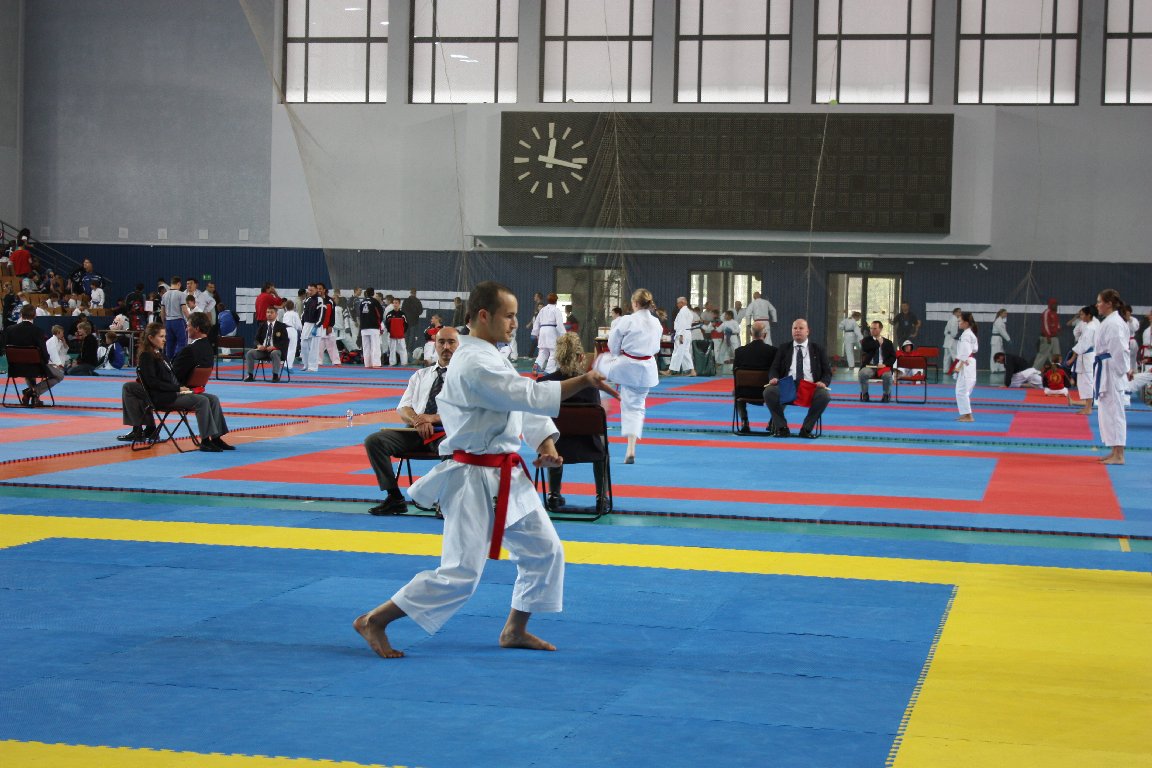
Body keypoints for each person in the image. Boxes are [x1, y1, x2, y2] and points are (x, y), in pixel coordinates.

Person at [352, 281, 616, 659]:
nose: (515, 323)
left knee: (545, 552)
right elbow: (525, 394)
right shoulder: (473, 362)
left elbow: (518, 403)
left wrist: (545, 443)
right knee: (460, 574)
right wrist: (585, 379)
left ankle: (514, 629)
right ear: (483, 316)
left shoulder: (492, 355)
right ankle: (374, 620)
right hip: (471, 478)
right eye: (509, 316)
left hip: (506, 476)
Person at [362, 326, 459, 516]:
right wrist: (418, 421)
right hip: (414, 431)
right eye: (441, 342)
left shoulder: (465, 378)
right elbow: (403, 407)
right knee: (374, 441)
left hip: (446, 431)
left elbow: (464, 411)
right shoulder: (420, 375)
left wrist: (432, 418)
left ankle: (446, 501)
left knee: (454, 447)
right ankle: (394, 497)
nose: (446, 347)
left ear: (459, 346)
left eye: (451, 342)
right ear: (435, 345)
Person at [136, 319, 234, 453]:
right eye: (161, 336)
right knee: (202, 401)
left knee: (213, 399)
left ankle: (216, 438)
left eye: (165, 336)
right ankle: (205, 441)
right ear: (150, 338)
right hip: (162, 397)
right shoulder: (146, 357)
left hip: (174, 392)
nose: (164, 340)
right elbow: (153, 383)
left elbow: (172, 377)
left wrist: (184, 387)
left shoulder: (161, 355)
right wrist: (178, 388)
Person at [541, 333, 609, 514]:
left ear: (557, 357)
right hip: (589, 446)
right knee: (603, 445)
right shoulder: (590, 385)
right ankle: (601, 498)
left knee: (551, 434)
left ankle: (553, 495)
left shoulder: (544, 383)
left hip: (555, 448)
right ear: (580, 357)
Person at [594, 288, 662, 463]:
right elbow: (656, 348)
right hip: (647, 369)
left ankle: (603, 400)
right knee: (636, 408)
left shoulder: (627, 320)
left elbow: (613, 343)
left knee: (600, 362)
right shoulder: (656, 323)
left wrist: (616, 355)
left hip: (626, 365)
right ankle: (631, 449)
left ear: (636, 303)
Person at [762, 319, 832, 438]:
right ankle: (782, 427)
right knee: (769, 392)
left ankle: (806, 429)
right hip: (788, 386)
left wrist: (823, 382)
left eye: (801, 328)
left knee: (824, 396)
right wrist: (773, 378)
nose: (797, 331)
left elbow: (827, 372)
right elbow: (774, 368)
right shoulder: (784, 348)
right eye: (795, 328)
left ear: (807, 331)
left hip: (810, 387)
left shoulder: (818, 349)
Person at [1094, 289, 1131, 465]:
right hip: (1106, 368)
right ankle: (1114, 450)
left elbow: (1120, 350)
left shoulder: (1114, 323)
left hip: (1112, 371)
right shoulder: (1110, 321)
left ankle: (1120, 454)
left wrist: (1121, 372)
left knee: (1115, 412)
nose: (1097, 305)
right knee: (1107, 412)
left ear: (1109, 304)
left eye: (1099, 302)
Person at [2, 304, 62, 406]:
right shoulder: (38, 331)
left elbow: (4, 348)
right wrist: (48, 362)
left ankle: (33, 394)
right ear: (35, 315)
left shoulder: (9, 329)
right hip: (36, 367)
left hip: (15, 368)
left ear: (21, 315)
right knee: (59, 375)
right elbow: (44, 353)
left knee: (29, 369)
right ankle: (32, 392)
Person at [732, 321, 777, 434]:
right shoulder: (773, 351)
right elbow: (777, 373)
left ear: (751, 334)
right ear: (765, 335)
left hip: (743, 392)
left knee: (736, 390)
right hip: (766, 392)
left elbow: (735, 373)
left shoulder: (739, 352)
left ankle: (744, 421)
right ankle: (773, 421)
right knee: (784, 392)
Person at [1067, 305, 1100, 414]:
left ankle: (1088, 407)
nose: (1080, 317)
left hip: (1088, 356)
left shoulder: (1091, 327)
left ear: (1088, 315)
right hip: (1084, 356)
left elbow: (1083, 345)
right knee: (1082, 382)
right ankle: (1086, 406)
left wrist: (1072, 358)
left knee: (1088, 382)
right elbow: (1078, 336)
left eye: (1082, 314)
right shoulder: (1088, 325)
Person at [244, 306, 288, 382]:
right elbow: (256, 339)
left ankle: (275, 376)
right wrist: (258, 345)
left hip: (276, 350)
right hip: (263, 351)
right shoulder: (262, 325)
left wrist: (274, 347)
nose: (269, 314)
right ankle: (250, 375)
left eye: (271, 312)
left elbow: (285, 341)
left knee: (274, 353)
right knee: (249, 353)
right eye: (267, 312)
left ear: (276, 314)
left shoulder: (281, 326)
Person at [857, 320, 897, 402]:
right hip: (870, 366)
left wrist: (885, 364)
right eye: (871, 328)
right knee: (862, 373)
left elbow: (893, 357)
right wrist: (878, 343)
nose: (872, 330)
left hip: (883, 367)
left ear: (880, 329)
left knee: (887, 375)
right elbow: (865, 348)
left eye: (875, 328)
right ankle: (865, 394)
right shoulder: (866, 340)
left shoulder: (888, 343)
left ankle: (886, 395)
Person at [953, 312, 979, 422]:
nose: (959, 323)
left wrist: (958, 367)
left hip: (966, 363)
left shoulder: (966, 335)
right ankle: (965, 414)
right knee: (961, 390)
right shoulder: (968, 333)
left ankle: (969, 416)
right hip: (968, 363)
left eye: (960, 321)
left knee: (962, 390)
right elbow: (974, 349)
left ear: (966, 323)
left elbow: (965, 353)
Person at [531, 293, 565, 374]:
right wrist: (564, 335)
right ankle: (549, 371)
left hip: (542, 330)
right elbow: (559, 324)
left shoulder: (543, 310)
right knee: (554, 351)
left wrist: (534, 333)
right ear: (556, 301)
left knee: (543, 351)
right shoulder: (556, 310)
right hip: (551, 331)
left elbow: (537, 322)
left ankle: (537, 365)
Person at [667, 296, 696, 376]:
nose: (677, 305)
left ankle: (670, 370)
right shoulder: (689, 311)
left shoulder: (683, 312)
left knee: (677, 352)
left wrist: (681, 335)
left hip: (682, 334)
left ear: (682, 303)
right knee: (685, 352)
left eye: (678, 303)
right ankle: (692, 371)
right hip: (687, 333)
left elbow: (681, 324)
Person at [160, 275, 187, 359]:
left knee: (169, 344)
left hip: (168, 322)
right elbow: (184, 310)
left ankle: (168, 363)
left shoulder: (164, 295)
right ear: (179, 284)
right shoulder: (181, 294)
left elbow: (162, 312)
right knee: (182, 343)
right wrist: (191, 319)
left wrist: (164, 323)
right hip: (178, 321)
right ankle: (179, 361)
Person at [358, 287, 384, 368]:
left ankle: (367, 364)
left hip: (363, 327)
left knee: (366, 347)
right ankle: (376, 363)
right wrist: (379, 323)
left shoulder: (362, 302)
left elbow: (360, 314)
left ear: (366, 293)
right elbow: (380, 314)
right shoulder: (375, 301)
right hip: (373, 327)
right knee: (375, 346)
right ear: (373, 293)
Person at [299, 284, 321, 372]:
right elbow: (304, 313)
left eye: (311, 290)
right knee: (303, 345)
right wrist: (302, 324)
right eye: (308, 290)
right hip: (306, 325)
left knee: (314, 348)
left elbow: (321, 314)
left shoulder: (319, 300)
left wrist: (317, 325)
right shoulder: (307, 300)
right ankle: (306, 365)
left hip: (315, 325)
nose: (309, 292)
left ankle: (313, 367)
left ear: (316, 290)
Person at [1035, 298, 1061, 369]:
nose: (1056, 306)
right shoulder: (1046, 312)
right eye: (1054, 304)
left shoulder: (1055, 313)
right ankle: (1034, 371)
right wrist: (1048, 336)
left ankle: (1056, 371)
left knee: (1056, 355)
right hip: (1047, 337)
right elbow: (1045, 325)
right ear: (1050, 305)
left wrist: (1058, 329)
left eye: (1056, 304)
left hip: (1054, 337)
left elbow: (1057, 323)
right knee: (1042, 356)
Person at [385, 296, 408, 366]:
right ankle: (392, 363)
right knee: (392, 349)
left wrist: (402, 332)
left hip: (401, 335)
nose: (395, 304)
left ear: (399, 304)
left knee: (403, 349)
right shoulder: (389, 314)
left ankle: (404, 362)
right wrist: (390, 332)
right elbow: (387, 324)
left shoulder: (402, 314)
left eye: (396, 303)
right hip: (392, 335)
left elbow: (406, 324)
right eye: (394, 303)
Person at [280, 299, 302, 370]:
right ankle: (288, 365)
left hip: (285, 330)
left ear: (286, 307)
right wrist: (300, 329)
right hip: (292, 330)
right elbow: (298, 325)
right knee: (292, 348)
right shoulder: (295, 314)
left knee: (286, 348)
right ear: (293, 306)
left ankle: (284, 363)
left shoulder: (285, 314)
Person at [401, 288, 423, 356]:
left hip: (406, 321)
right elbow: (420, 311)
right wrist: (415, 314)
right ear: (415, 293)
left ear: (410, 292)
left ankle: (405, 350)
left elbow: (402, 311)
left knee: (406, 336)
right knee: (412, 337)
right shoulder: (417, 301)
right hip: (414, 321)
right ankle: (409, 351)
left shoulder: (406, 301)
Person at [941, 307, 961, 375]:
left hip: (947, 339)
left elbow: (945, 330)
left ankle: (945, 370)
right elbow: (954, 332)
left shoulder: (950, 319)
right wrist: (954, 336)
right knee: (954, 355)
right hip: (952, 340)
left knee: (947, 357)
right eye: (959, 312)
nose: (960, 313)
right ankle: (957, 369)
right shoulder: (955, 320)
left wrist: (948, 334)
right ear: (955, 312)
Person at [989, 309, 1010, 373]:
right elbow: (1002, 331)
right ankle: (994, 369)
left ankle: (1001, 368)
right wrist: (1008, 339)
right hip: (996, 339)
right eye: (1005, 313)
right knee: (995, 354)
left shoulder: (1000, 321)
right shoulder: (998, 321)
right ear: (1001, 314)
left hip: (999, 339)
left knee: (1001, 354)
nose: (1006, 314)